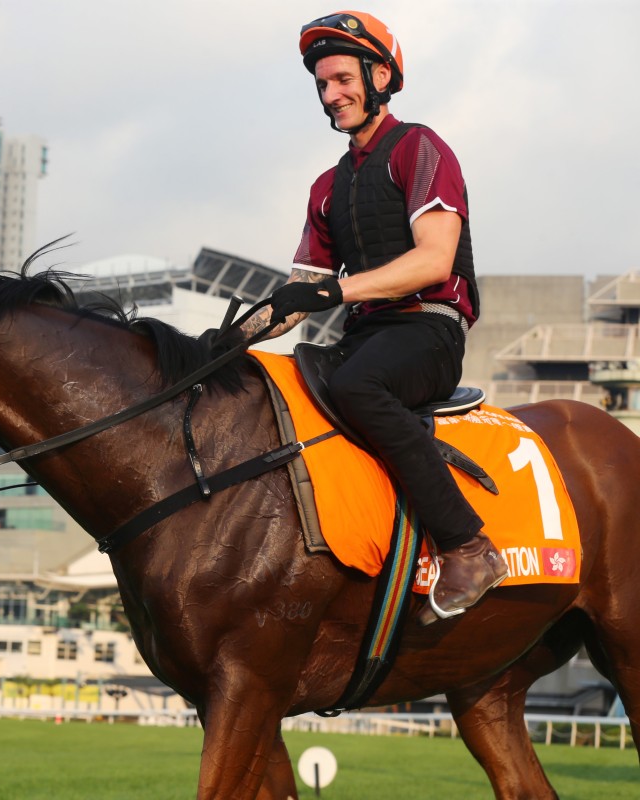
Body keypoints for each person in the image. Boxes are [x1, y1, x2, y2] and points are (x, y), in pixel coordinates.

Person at [241, 11, 507, 626]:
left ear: (380, 74)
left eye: (341, 79)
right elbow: (298, 293)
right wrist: (229, 342)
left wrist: (336, 293)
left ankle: (468, 546)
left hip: (429, 330)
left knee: (356, 385)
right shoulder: (326, 187)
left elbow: (433, 260)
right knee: (276, 383)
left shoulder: (420, 149)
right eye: (322, 86)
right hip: (364, 335)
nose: (331, 95)